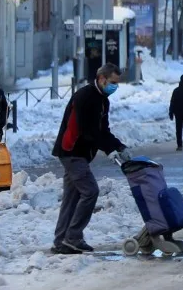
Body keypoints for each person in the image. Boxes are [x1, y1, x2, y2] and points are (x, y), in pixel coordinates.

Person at [51, 63, 131, 254]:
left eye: (117, 84)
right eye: (112, 82)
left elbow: (103, 130)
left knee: (72, 197)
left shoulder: (103, 100)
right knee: (90, 191)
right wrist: (107, 149)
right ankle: (73, 237)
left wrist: (118, 146)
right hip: (72, 151)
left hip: (80, 154)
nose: (115, 87)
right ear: (102, 79)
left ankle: (62, 240)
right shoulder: (85, 97)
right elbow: (88, 130)